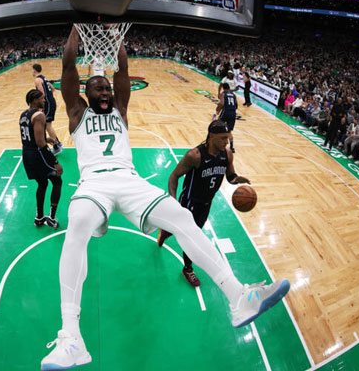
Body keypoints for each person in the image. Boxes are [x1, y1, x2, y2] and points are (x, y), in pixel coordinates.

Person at [40, 26, 289, 370]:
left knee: (183, 219)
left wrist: (116, 39)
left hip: (129, 180)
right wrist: (75, 30)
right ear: (84, 92)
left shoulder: (120, 111)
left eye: (108, 88)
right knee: (77, 225)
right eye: (98, 86)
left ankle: (239, 297)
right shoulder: (77, 114)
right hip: (93, 184)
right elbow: (68, 67)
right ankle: (72, 338)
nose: (105, 91)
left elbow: (122, 71)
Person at [157, 120, 251, 287]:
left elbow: (230, 176)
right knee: (192, 238)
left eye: (228, 138)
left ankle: (166, 231)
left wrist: (236, 179)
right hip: (189, 204)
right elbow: (173, 177)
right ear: (211, 136)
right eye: (223, 138)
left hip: (206, 204)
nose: (226, 142)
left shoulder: (227, 154)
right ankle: (187, 269)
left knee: (188, 232)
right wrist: (173, 202)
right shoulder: (194, 156)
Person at [20, 89, 63, 228]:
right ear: (34, 100)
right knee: (57, 181)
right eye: (42, 98)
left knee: (42, 184)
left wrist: (47, 138)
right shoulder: (39, 115)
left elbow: (31, 136)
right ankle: (51, 217)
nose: (44, 100)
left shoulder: (23, 115)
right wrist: (55, 162)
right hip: (38, 154)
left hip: (27, 153)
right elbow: (39, 143)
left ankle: (39, 217)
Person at [33, 64, 63, 155]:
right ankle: (58, 143)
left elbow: (41, 94)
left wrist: (41, 107)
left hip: (47, 103)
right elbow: (53, 89)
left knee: (47, 125)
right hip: (51, 102)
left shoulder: (37, 80)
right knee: (47, 125)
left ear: (34, 70)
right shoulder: (44, 78)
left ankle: (56, 147)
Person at [216, 83, 238, 153]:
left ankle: (217, 143)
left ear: (223, 88)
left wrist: (217, 110)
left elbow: (222, 103)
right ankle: (232, 147)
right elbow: (236, 105)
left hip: (226, 112)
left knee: (218, 126)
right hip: (233, 113)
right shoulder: (233, 95)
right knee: (229, 131)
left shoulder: (223, 94)